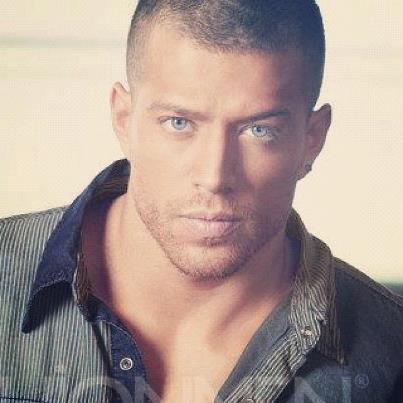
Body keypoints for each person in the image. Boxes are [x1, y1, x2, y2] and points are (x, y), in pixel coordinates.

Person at [0, 0, 402, 402]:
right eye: (179, 123)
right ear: (124, 120)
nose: (214, 177)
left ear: (312, 140)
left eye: (259, 130)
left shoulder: (391, 352)